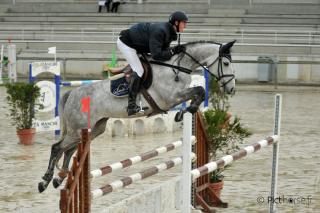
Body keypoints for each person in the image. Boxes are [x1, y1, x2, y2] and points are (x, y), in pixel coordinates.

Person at [117, 11, 188, 116]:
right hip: (127, 44)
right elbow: (156, 55)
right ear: (176, 23)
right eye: (184, 23)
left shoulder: (168, 31)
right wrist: (173, 51)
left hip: (138, 44)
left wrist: (174, 50)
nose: (185, 25)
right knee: (139, 70)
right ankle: (131, 106)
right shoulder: (161, 31)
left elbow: (163, 50)